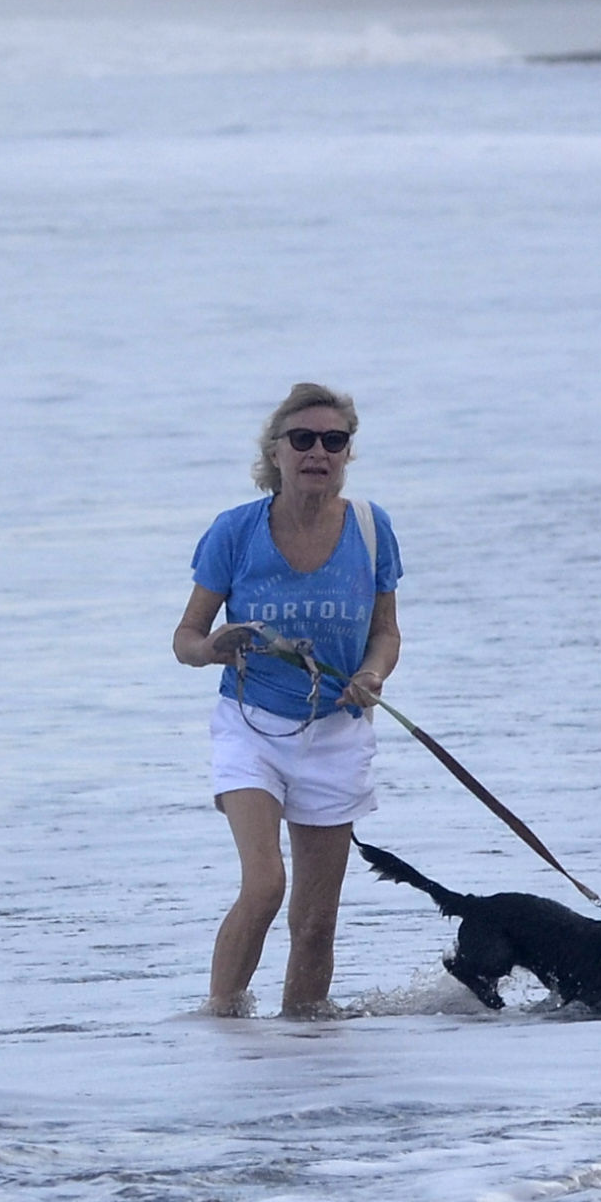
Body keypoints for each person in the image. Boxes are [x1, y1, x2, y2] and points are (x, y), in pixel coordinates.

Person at [173, 382, 403, 1016]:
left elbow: (385, 633)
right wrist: (213, 645)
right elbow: (184, 640)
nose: (318, 452)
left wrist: (373, 675)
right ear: (275, 452)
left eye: (334, 441)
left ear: (346, 454)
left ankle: (304, 1048)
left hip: (337, 731)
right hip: (252, 726)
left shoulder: (370, 527)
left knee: (316, 920)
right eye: (302, 439)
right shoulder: (236, 532)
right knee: (266, 883)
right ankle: (222, 1023)